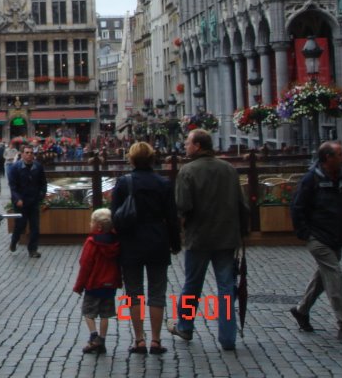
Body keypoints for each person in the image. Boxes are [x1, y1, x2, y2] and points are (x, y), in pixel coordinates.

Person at [170, 129, 247, 351]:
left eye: (188, 143)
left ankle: (185, 325)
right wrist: (243, 232)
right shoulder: (229, 169)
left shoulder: (188, 171)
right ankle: (228, 338)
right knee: (226, 287)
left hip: (200, 237)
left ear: (198, 146)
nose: (185, 146)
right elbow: (242, 204)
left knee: (192, 285)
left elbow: (183, 206)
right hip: (226, 236)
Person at [111, 141, 180, 355]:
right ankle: (156, 340)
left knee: (133, 293)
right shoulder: (163, 183)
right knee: (157, 292)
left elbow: (114, 216)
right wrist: (175, 243)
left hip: (130, 242)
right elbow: (172, 217)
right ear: (152, 158)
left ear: (131, 159)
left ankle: (139, 339)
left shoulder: (123, 183)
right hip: (157, 241)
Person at [290, 141, 342, 342]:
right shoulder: (311, 179)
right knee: (334, 275)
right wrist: (306, 234)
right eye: (339, 154)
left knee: (323, 276)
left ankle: (301, 310)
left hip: (336, 236)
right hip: (318, 237)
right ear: (327, 158)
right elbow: (297, 207)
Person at [72, 208, 121, 355]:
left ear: (98, 226)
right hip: (109, 285)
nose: (90, 223)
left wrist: (79, 286)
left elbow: (85, 264)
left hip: (94, 284)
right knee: (105, 314)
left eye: (92, 221)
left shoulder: (92, 242)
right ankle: (102, 339)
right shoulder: (116, 242)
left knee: (88, 312)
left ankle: (94, 336)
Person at [7, 145, 47, 258]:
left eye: (31, 152)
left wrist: (41, 195)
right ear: (22, 154)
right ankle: (14, 241)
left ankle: (32, 250)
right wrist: (17, 199)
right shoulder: (15, 168)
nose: (29, 155)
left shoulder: (38, 167)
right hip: (21, 202)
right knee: (20, 225)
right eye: (27, 152)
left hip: (34, 201)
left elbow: (43, 183)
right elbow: (12, 187)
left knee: (35, 227)